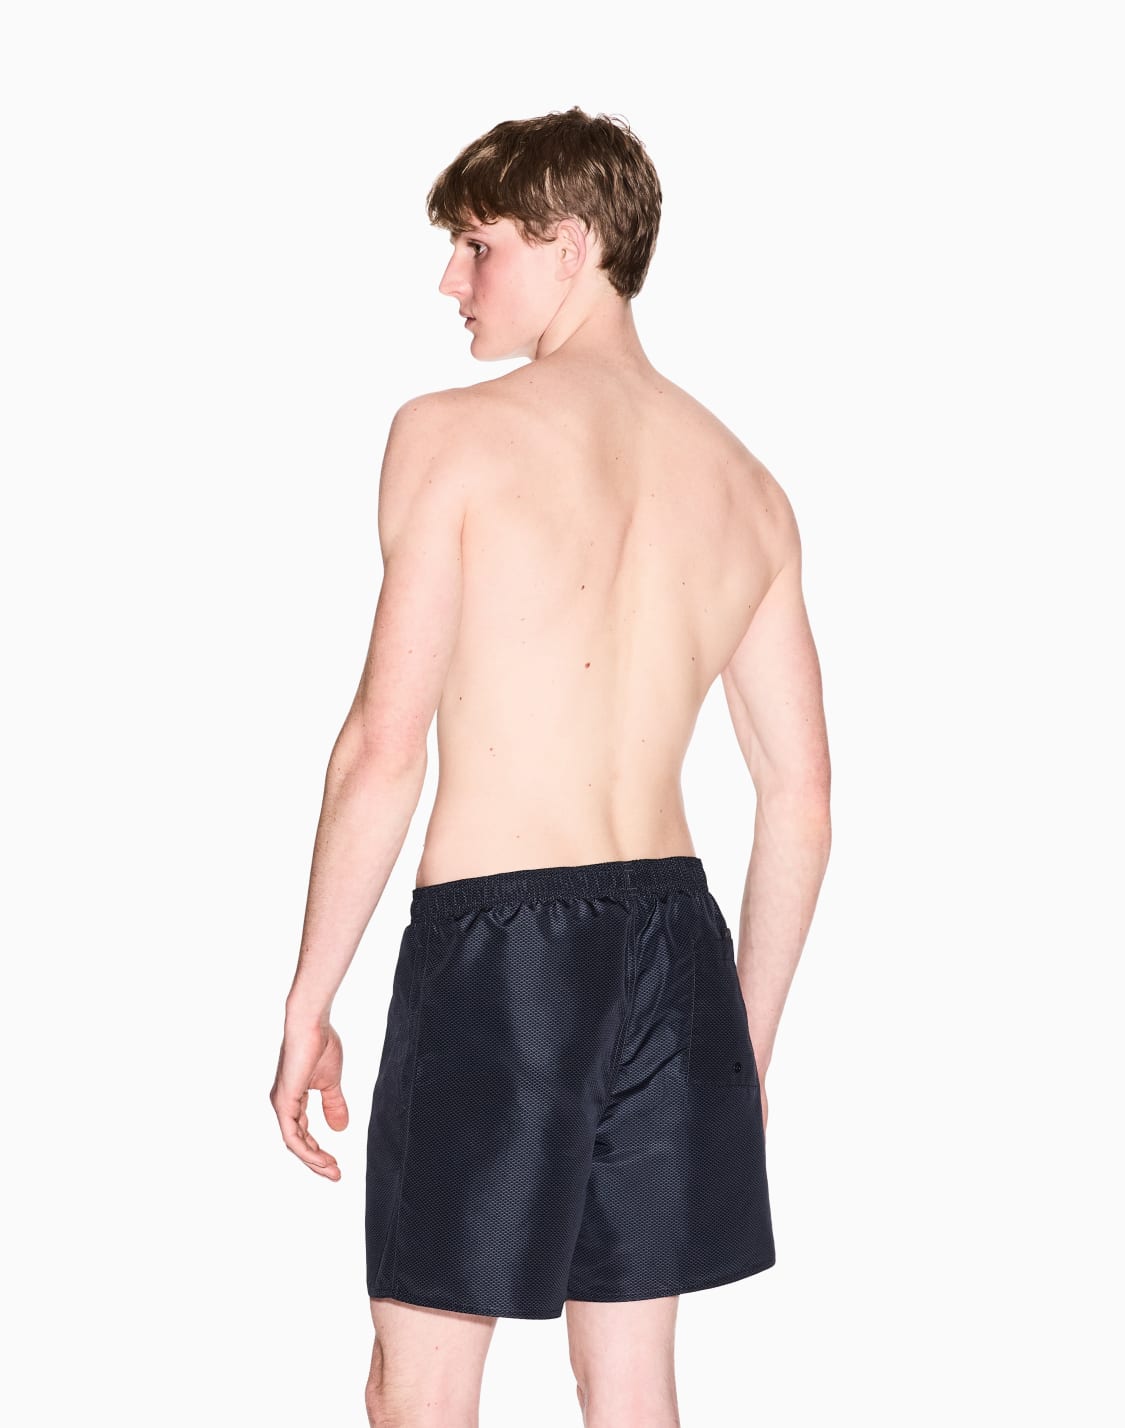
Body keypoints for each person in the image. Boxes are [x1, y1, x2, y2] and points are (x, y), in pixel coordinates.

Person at [270, 105, 831, 1428]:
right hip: (676, 954)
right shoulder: (746, 486)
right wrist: (740, 1047)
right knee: (629, 1384)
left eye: (478, 246)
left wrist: (308, 998)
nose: (450, 280)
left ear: (571, 244)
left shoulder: (450, 435)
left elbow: (382, 746)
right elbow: (801, 797)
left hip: (505, 944)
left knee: (419, 1377)